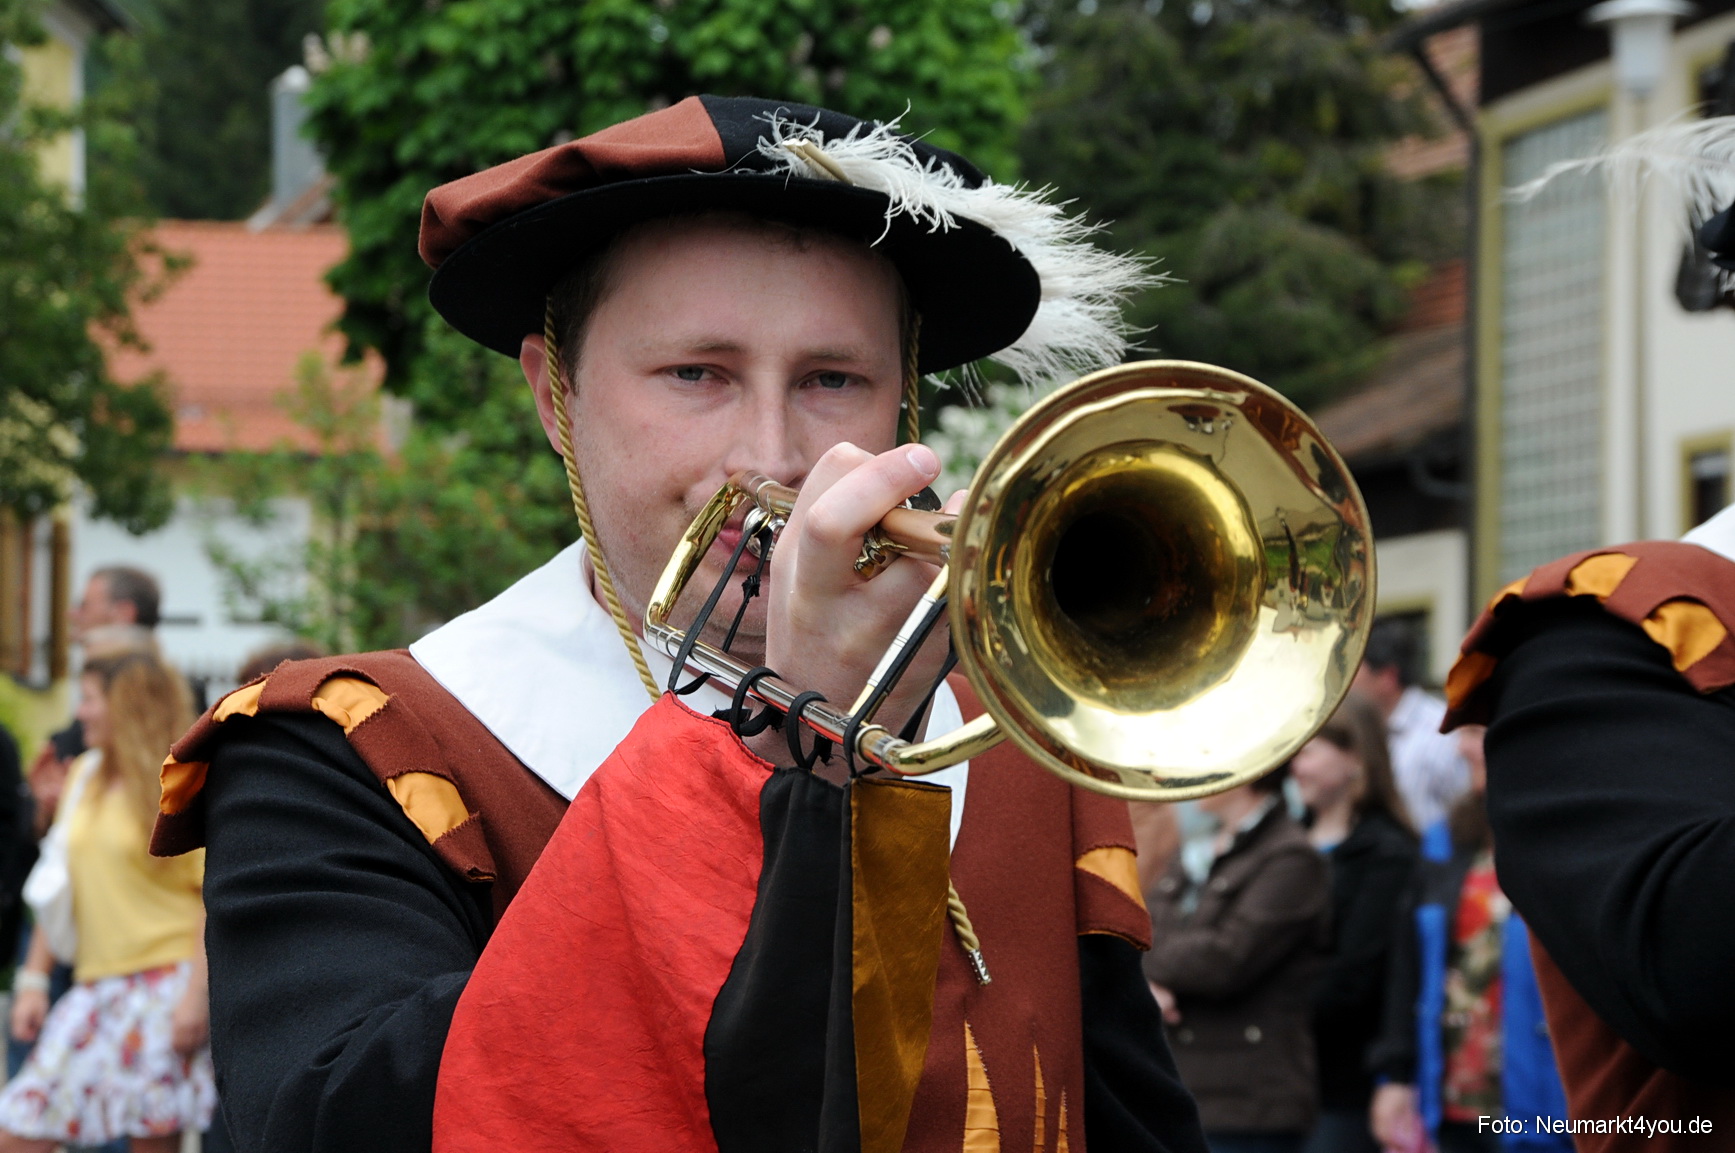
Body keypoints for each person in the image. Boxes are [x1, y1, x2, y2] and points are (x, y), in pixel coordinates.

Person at [148, 97, 1207, 1153]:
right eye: (697, 373)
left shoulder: (1023, 749)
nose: (771, 456)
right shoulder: (341, 751)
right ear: (553, 398)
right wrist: (790, 735)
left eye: (833, 380)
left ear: (903, 410)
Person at [0, 652, 212, 1152]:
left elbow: (210, 899)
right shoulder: (85, 776)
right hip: (96, 987)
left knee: (152, 1141)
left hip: (166, 987)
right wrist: (32, 980)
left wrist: (195, 999)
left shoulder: (178, 783)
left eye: (91, 698)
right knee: (20, 1128)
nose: (81, 712)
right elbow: (62, 885)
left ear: (128, 704)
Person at [1366, 725, 1569, 1153]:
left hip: (1552, 1104)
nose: (1462, 749)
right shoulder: (1447, 843)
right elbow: (1409, 966)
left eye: (1477, 732)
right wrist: (1396, 1076)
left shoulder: (1573, 843)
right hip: (1458, 1101)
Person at [1145, 767, 1331, 1153]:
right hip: (1188, 1090)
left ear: (1245, 772)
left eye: (1205, 762)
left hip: (1250, 1104)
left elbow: (1225, 957)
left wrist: (1151, 972)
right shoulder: (1196, 848)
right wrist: (1151, 981)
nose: (1188, 773)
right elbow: (1142, 929)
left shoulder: (1292, 857)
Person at [1289, 693, 1416, 1153]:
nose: (1294, 767)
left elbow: (1355, 974)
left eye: (1308, 751)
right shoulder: (1286, 840)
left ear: (1356, 758)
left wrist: (1269, 1012)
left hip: (1340, 1082)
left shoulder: (1388, 853)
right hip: (1274, 1077)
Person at [1354, 619, 1470, 834]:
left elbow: (1467, 814)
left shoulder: (1441, 733)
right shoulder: (1358, 728)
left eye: (1354, 669)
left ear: (1388, 677)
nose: (1347, 681)